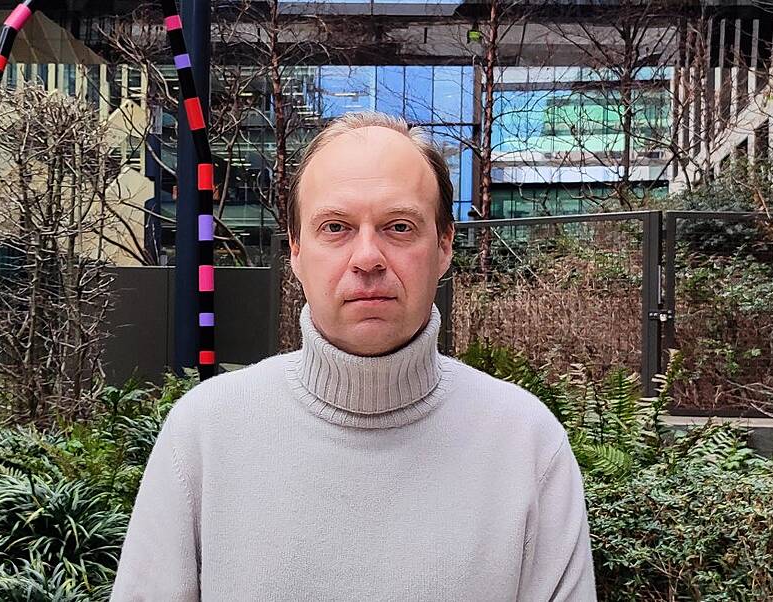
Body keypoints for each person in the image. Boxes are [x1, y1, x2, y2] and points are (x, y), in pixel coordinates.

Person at [111, 111, 596, 601]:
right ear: (297, 251)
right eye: (336, 227)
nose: (367, 257)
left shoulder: (527, 445)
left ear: (445, 244)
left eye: (399, 226)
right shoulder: (205, 434)